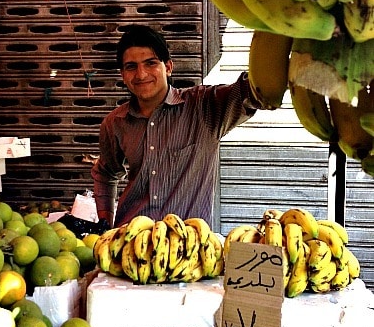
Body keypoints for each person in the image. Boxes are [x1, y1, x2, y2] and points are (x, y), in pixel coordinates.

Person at [91, 24, 263, 228]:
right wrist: (104, 224)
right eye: (131, 67)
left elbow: (254, 92)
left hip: (188, 242)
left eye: (150, 63)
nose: (141, 74)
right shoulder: (115, 123)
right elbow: (105, 173)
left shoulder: (205, 106)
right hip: (131, 237)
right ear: (123, 75)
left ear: (168, 67)